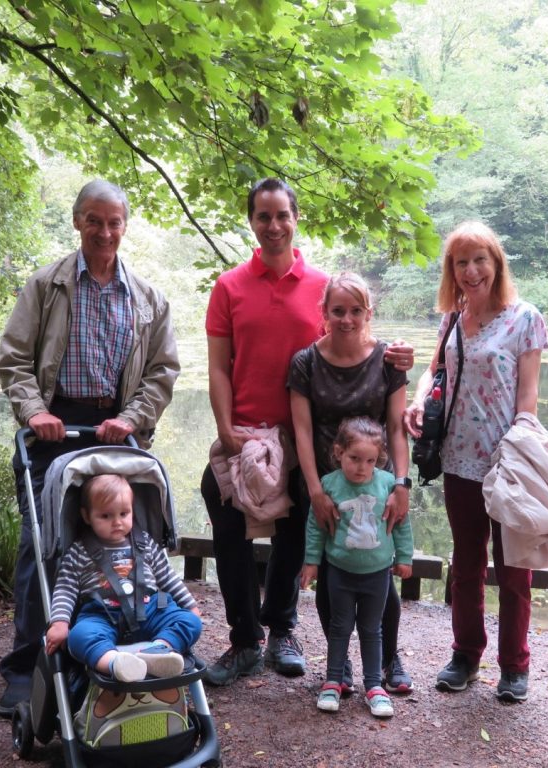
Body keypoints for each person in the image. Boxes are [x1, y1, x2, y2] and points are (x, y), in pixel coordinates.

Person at [200, 177, 413, 687]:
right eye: (263, 216)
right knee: (226, 522)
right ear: (252, 222)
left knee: (296, 534)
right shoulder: (229, 287)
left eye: (282, 215)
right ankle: (244, 639)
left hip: (303, 441)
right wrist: (225, 428)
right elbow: (219, 367)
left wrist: (398, 355)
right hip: (246, 434)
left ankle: (281, 631)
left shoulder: (321, 286)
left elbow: (351, 339)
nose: (273, 225)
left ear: (295, 219)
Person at [0, 180, 180, 716]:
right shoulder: (45, 286)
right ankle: (26, 667)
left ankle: (128, 648)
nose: (104, 231)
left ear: (125, 225)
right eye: (94, 220)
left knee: (126, 538)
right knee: (41, 544)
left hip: (116, 431)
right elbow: (14, 359)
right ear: (78, 221)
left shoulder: (148, 299)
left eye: (114, 222)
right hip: (53, 427)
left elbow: (162, 372)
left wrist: (131, 418)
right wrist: (34, 412)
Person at [404, 220, 548, 703]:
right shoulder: (452, 319)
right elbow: (434, 373)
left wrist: (519, 453)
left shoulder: (525, 319)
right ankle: (465, 656)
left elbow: (528, 398)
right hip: (458, 460)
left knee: (514, 570)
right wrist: (418, 400)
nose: (471, 271)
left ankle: (515, 665)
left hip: (507, 463)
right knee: (466, 565)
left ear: (496, 263)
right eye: (461, 262)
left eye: (479, 260)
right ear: (452, 271)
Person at [288, 272, 413, 695]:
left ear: (368, 313)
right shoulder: (305, 362)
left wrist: (401, 484)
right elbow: (302, 431)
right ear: (323, 313)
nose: (347, 319)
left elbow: (396, 428)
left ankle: (389, 659)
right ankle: (338, 666)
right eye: (338, 311)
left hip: (375, 482)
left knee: (380, 574)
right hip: (327, 485)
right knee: (332, 573)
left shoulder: (388, 360)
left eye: (355, 311)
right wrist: (316, 493)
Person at [300, 418, 413, 719]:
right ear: (339, 453)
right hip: (340, 572)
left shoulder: (387, 484)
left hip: (377, 574)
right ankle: (333, 682)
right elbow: (316, 526)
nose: (362, 468)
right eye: (354, 459)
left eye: (370, 461)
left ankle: (374, 686)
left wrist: (404, 557)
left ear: (379, 460)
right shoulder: (329, 484)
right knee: (339, 627)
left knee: (371, 629)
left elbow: (401, 524)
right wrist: (311, 562)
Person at [46, 474, 202, 682]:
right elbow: (65, 588)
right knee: (78, 636)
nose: (117, 522)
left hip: (150, 609)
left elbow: (167, 578)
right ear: (86, 516)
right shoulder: (78, 551)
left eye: (124, 513)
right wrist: (60, 622)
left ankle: (158, 651)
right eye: (106, 516)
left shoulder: (145, 543)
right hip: (102, 615)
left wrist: (190, 606)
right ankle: (116, 663)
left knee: (190, 622)